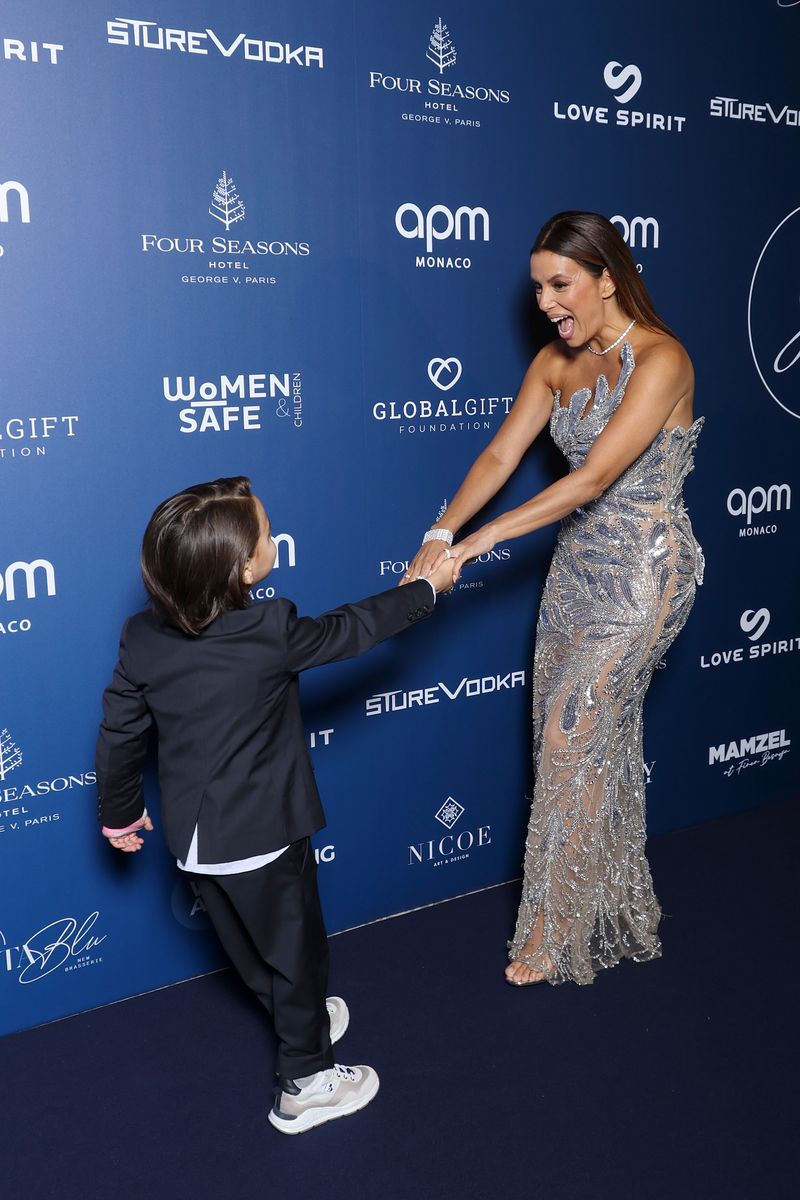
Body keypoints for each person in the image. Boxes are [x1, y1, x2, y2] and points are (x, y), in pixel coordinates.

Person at [96, 476, 456, 1132]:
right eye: (266, 535)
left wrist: (119, 813)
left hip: (196, 842)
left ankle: (303, 1016)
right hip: (262, 836)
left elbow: (121, 729)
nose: (274, 541)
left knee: (248, 949)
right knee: (295, 952)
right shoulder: (269, 628)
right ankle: (306, 1081)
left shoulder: (141, 637)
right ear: (241, 566)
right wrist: (425, 590)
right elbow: (355, 629)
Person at [406, 211, 704, 987]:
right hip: (576, 573)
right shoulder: (552, 363)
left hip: (644, 573)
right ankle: (603, 898)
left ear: (607, 278)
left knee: (576, 742)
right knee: (569, 746)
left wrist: (480, 541)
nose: (545, 302)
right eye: (538, 288)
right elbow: (503, 452)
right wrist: (441, 531)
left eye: (560, 284)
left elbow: (594, 479)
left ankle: (553, 931)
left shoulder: (663, 359)